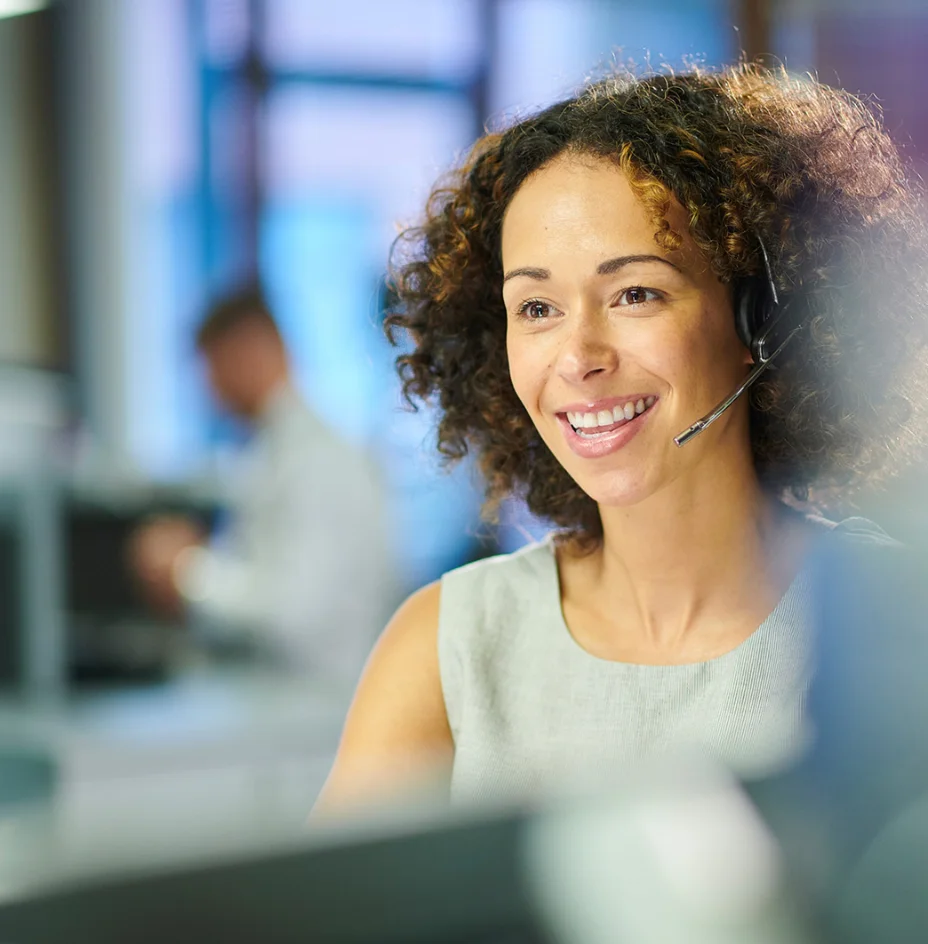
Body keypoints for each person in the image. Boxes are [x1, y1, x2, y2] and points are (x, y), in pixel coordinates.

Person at [317, 63, 928, 811]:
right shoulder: (446, 648)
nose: (578, 358)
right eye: (537, 308)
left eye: (636, 293)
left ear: (763, 319)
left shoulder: (897, 624)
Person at [129, 288, 393, 687]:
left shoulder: (318, 461)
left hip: (314, 705)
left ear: (247, 352)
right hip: (287, 701)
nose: (210, 391)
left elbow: (295, 612)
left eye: (211, 369)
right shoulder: (272, 452)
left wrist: (188, 570)